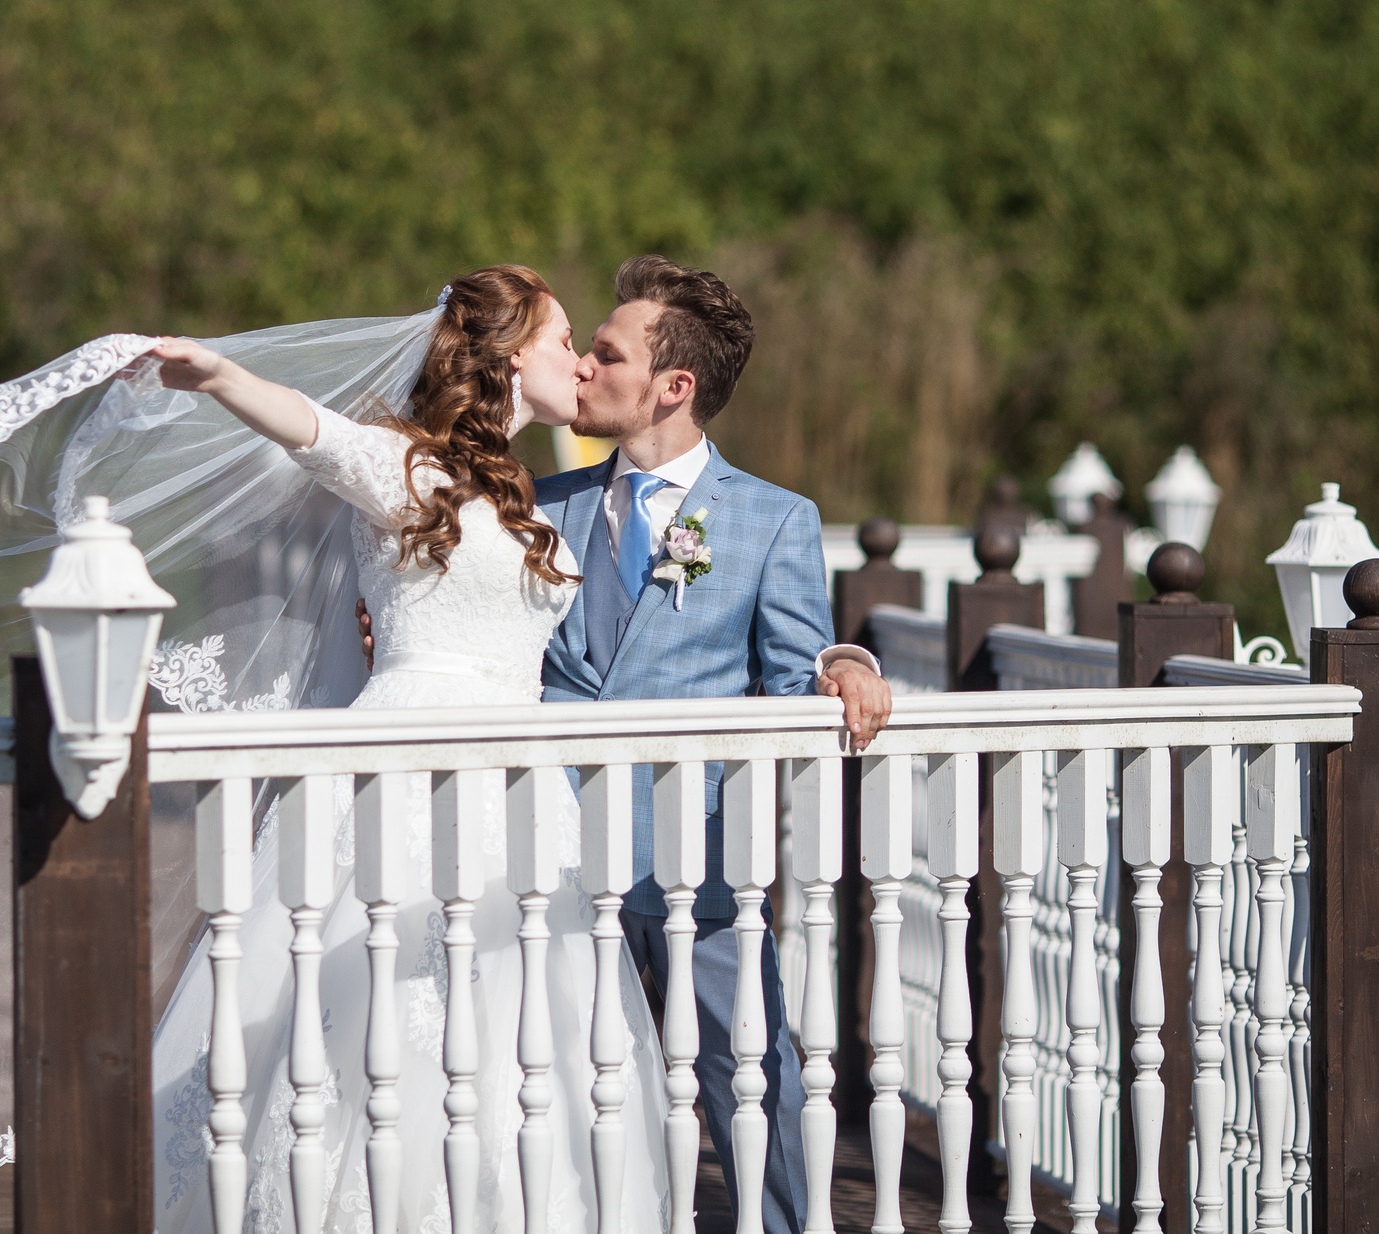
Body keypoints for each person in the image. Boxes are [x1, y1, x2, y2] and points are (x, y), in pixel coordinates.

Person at [146, 265, 675, 1234]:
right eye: (564, 342)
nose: (579, 361)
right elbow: (314, 432)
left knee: (527, 1043)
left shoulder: (522, 490)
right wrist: (221, 376)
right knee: (387, 1031)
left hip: (520, 792)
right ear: (514, 356)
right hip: (406, 779)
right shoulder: (410, 470)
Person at [532, 256, 891, 1234]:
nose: (582, 369)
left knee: (753, 1079)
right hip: (548, 856)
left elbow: (797, 661)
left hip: (700, 860)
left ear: (672, 386)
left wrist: (847, 662)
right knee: (559, 1076)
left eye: (606, 354)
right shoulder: (537, 504)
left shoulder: (773, 521)